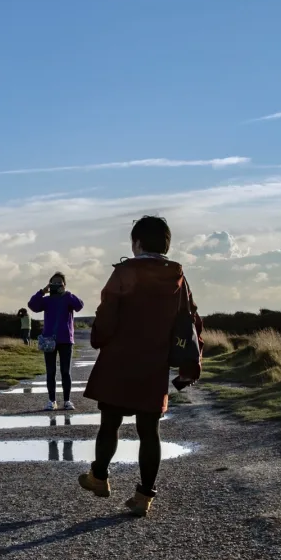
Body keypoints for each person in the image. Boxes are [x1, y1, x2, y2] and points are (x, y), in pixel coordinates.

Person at [79, 216, 203, 517]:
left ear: (136, 243)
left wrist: (98, 338)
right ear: (166, 245)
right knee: (150, 431)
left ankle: (99, 477)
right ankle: (144, 496)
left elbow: (107, 314)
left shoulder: (124, 273)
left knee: (110, 423)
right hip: (154, 362)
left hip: (119, 359)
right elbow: (191, 319)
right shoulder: (177, 277)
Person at [28, 273, 85, 411]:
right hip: (49, 340)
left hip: (66, 339)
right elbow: (32, 305)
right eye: (54, 283)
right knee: (51, 372)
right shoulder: (46, 300)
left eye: (60, 282)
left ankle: (67, 401)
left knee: (66, 372)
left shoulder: (68, 298)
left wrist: (68, 293)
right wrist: (42, 291)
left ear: (64, 284)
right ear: (50, 284)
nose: (57, 285)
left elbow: (79, 306)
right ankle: (51, 401)